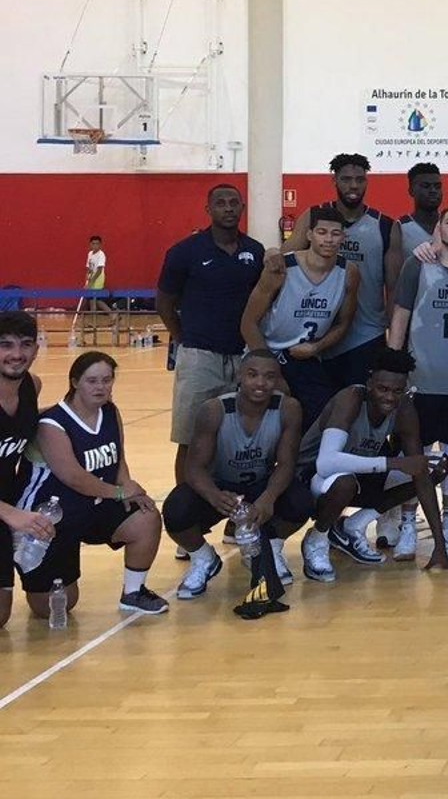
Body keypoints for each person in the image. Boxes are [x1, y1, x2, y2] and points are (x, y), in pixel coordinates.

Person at [16, 351, 168, 616]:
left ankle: (133, 593)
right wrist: (119, 492)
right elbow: (74, 477)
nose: (101, 387)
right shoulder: (52, 424)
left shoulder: (109, 411)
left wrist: (128, 487)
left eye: (107, 380)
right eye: (92, 381)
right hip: (48, 518)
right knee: (53, 607)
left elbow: (118, 458)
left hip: (92, 506)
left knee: (146, 516)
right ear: (75, 382)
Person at [297, 348, 448, 580]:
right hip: (310, 476)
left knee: (435, 467)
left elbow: (418, 472)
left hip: (357, 474)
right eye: (383, 389)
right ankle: (316, 539)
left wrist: (440, 547)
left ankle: (352, 526)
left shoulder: (404, 409)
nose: (389, 397)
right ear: (369, 384)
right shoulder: (350, 398)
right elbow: (326, 463)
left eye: (397, 391)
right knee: (346, 482)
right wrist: (393, 463)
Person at [163, 351, 309, 599]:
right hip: (221, 486)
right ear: (239, 375)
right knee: (176, 509)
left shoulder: (288, 408)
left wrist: (268, 498)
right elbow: (194, 468)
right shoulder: (214, 410)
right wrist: (214, 495)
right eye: (252, 375)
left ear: (278, 380)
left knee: (301, 501)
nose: (261, 383)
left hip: (260, 483)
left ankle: (271, 548)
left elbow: (286, 464)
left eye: (269, 377)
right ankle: (203, 557)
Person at [388, 205, 448, 559]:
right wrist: (393, 368)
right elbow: (400, 316)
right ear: (439, 228)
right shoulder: (417, 264)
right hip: (420, 379)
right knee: (414, 454)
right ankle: (408, 527)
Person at [156, 182, 267, 484]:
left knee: (239, 440)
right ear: (208, 209)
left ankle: (233, 505)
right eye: (221, 203)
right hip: (199, 357)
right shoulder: (184, 252)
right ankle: (184, 503)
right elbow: (164, 302)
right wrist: (184, 338)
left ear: (242, 207)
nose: (228, 208)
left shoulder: (254, 251)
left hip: (243, 357)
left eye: (233, 202)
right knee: (190, 439)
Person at [285, 154, 395, 388]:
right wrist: (270, 254)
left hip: (365, 335)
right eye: (346, 179)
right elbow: (283, 262)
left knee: (358, 404)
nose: (353, 185)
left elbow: (394, 288)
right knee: (317, 407)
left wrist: (394, 339)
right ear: (334, 180)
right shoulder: (314, 216)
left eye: (359, 179)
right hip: (313, 334)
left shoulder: (384, 225)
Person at [243, 206, 357, 420]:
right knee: (268, 420)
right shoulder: (282, 268)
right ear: (309, 235)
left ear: (343, 237)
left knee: (323, 418)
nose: (329, 239)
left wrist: (316, 347)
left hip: (305, 356)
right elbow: (248, 323)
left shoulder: (348, 273)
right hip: (267, 351)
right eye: (322, 232)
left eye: (335, 233)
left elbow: (343, 324)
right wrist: (270, 370)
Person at [1, 311, 53, 629]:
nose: (16, 354)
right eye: (5, 345)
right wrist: (10, 514)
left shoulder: (31, 386)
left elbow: (29, 424)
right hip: (6, 510)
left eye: (25, 344)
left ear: (36, 349)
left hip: (10, 502)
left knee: (53, 604)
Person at [394, 161, 444, 252]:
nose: (433, 191)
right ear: (411, 191)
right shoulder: (400, 227)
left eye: (437, 186)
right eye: (426, 186)